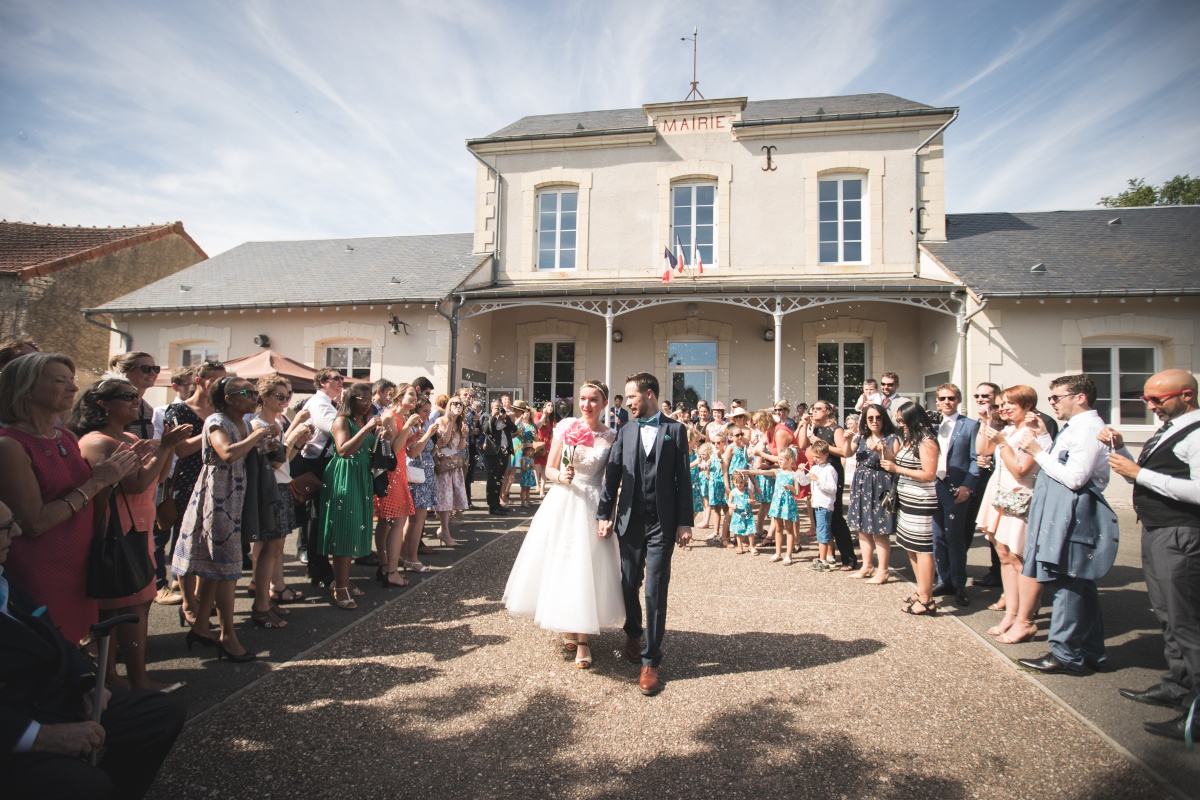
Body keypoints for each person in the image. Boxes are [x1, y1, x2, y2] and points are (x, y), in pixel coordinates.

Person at [0, 500, 187, 800]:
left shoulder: (4, 577)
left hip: (55, 697)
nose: (18, 532)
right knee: (86, 786)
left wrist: (87, 683)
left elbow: (50, 635)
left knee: (160, 714)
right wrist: (40, 736)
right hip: (17, 724)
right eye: (7, 527)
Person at [0, 353, 138, 646]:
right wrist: (96, 483)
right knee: (47, 649)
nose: (74, 389)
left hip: (79, 562)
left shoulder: (64, 436)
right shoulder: (10, 445)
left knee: (78, 644)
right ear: (25, 391)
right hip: (40, 569)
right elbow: (33, 523)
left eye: (72, 381)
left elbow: (90, 500)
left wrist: (109, 479)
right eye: (60, 381)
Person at [70, 378, 189, 691]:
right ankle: (122, 679)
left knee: (139, 603)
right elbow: (135, 483)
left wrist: (167, 448)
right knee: (120, 606)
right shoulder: (97, 442)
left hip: (139, 525)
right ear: (103, 404)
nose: (136, 401)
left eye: (136, 397)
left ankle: (131, 678)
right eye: (128, 397)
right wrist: (163, 447)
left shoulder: (124, 437)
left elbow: (158, 476)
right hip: (117, 530)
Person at [1104, 370, 1200, 741]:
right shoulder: (1171, 429)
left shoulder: (1195, 432)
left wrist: (1139, 472)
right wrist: (1124, 452)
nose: (1151, 406)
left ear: (1187, 395)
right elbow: (1141, 475)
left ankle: (1196, 710)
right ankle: (1177, 684)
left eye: (1158, 399)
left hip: (1182, 533)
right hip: (1158, 530)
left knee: (1187, 620)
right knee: (1168, 616)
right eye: (1146, 400)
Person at [504, 380, 623, 668]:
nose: (587, 405)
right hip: (564, 499)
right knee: (565, 564)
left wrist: (609, 512)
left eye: (593, 399)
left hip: (593, 500)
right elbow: (551, 466)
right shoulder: (567, 428)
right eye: (583, 399)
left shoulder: (611, 435)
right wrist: (561, 477)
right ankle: (570, 625)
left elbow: (611, 478)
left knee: (588, 566)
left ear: (604, 403)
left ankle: (583, 638)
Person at [597, 372, 694, 696]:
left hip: (662, 524)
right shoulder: (623, 431)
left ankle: (650, 660)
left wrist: (685, 522)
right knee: (627, 584)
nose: (626, 402)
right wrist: (604, 514)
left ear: (649, 394)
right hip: (630, 521)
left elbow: (683, 478)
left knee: (654, 590)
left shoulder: (676, 431)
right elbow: (612, 476)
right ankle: (633, 632)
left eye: (632, 396)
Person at [1015, 373, 1118, 675]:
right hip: (1065, 511)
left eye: (1056, 398)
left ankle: (1065, 654)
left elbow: (1074, 478)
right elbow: (1061, 459)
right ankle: (1091, 652)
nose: (1052, 404)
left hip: (1075, 514)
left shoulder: (1088, 430)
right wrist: (1045, 438)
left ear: (1079, 397)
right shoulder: (1077, 427)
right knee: (1080, 587)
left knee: (1069, 583)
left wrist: (1036, 451)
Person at [172, 376, 274, 662]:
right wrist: (257, 435)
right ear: (229, 398)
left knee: (216, 569)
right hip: (217, 498)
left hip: (235, 495)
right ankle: (227, 636)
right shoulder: (216, 420)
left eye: (256, 392)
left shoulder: (242, 422)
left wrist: (263, 441)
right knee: (228, 571)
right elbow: (227, 453)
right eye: (248, 393)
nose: (255, 397)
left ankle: (202, 626)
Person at [974, 385, 1042, 643]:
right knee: (1003, 555)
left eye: (1009, 404)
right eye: (1001, 404)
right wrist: (985, 422)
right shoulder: (1009, 430)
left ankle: (1025, 617)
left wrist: (1003, 443)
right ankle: (1010, 613)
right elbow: (983, 449)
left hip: (1020, 497)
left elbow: (1021, 470)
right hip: (1001, 495)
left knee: (1018, 557)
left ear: (1026, 405)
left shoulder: (1031, 431)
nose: (1003, 408)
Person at [163, 359, 227, 623]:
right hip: (189, 481)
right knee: (187, 543)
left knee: (209, 545)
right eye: (216, 380)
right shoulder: (180, 410)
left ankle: (202, 599)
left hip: (218, 482)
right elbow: (180, 448)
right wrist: (213, 434)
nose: (221, 386)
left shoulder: (222, 410)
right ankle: (188, 602)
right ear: (199, 381)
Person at [248, 375, 313, 626]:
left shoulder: (276, 422)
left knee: (275, 549)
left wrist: (296, 443)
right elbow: (274, 461)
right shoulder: (259, 425)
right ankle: (261, 604)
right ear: (263, 397)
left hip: (281, 484)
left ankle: (266, 599)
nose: (286, 400)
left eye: (288, 396)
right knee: (269, 548)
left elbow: (283, 459)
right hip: (270, 488)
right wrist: (292, 440)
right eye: (280, 396)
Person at [319, 382, 381, 610]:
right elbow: (343, 450)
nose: (366, 405)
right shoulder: (342, 421)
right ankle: (340, 587)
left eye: (369, 400)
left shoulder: (363, 421)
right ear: (350, 400)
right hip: (345, 476)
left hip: (361, 476)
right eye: (361, 400)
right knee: (345, 529)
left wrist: (377, 434)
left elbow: (367, 449)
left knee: (358, 527)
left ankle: (343, 579)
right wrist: (367, 429)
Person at [881, 402, 941, 616]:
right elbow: (901, 463)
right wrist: (887, 453)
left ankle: (927, 599)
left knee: (923, 549)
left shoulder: (927, 442)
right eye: (898, 420)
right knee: (910, 546)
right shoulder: (909, 440)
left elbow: (929, 474)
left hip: (921, 502)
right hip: (907, 501)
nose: (900, 424)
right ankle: (921, 590)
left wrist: (897, 468)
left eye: (902, 420)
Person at [929, 383, 981, 607]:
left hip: (956, 488)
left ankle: (960, 583)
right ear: (937, 402)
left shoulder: (970, 426)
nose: (946, 402)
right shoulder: (933, 426)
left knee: (955, 538)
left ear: (958, 400)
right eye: (942, 398)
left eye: (951, 398)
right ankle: (944, 579)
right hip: (934, 485)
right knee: (938, 537)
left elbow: (977, 459)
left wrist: (968, 486)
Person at [296, 367, 344, 586]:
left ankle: (320, 566)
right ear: (323, 382)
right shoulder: (320, 403)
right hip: (318, 463)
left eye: (341, 378)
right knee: (317, 517)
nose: (341, 382)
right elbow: (334, 429)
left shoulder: (327, 403)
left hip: (322, 462)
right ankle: (318, 568)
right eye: (336, 378)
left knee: (320, 517)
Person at [796, 400, 857, 571]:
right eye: (813, 409)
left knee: (836, 516)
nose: (814, 412)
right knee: (821, 516)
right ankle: (829, 556)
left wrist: (822, 442)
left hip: (832, 471)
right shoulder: (815, 428)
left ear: (828, 412)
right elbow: (802, 445)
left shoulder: (835, 429)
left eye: (818, 409)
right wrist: (803, 425)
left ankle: (849, 558)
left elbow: (844, 451)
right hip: (818, 471)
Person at [846, 403, 898, 583]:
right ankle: (867, 565)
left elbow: (896, 461)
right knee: (862, 526)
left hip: (882, 483)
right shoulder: (861, 436)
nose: (874, 421)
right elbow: (846, 454)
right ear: (865, 421)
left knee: (880, 528)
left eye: (878, 417)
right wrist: (847, 439)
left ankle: (883, 570)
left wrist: (883, 451)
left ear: (884, 419)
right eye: (870, 418)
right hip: (862, 482)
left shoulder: (892, 438)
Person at [741, 446, 807, 565]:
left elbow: (797, 492)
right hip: (777, 504)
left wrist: (790, 487)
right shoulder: (777, 471)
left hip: (788, 504)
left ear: (790, 460)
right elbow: (761, 472)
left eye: (782, 460)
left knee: (789, 529)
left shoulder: (794, 474)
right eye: (779, 460)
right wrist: (747, 471)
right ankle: (778, 553)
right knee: (778, 528)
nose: (779, 462)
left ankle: (788, 555)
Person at [969, 382, 1004, 588]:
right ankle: (996, 571)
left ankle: (1002, 575)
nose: (981, 399)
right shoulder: (980, 422)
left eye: (986, 396)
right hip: (982, 482)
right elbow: (982, 451)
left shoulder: (1005, 423)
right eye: (977, 396)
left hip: (1006, 486)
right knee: (989, 531)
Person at [401, 397, 439, 572]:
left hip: (425, 474)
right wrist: (428, 434)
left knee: (417, 520)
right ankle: (412, 557)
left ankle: (406, 555)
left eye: (429, 411)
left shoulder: (421, 427)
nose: (427, 414)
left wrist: (438, 445)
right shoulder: (413, 427)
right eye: (425, 411)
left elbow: (426, 452)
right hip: (416, 476)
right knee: (416, 520)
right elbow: (413, 452)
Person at [433, 395, 469, 541]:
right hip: (443, 462)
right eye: (455, 403)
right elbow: (445, 440)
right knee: (445, 499)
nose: (458, 406)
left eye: (460, 404)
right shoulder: (441, 420)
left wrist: (464, 435)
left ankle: (444, 530)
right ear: (449, 405)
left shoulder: (460, 423)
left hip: (454, 462)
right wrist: (450, 421)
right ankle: (444, 531)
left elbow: (460, 447)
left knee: (452, 498)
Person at [107, 352, 159, 440]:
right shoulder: (114, 403)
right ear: (124, 373)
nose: (153, 373)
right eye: (145, 369)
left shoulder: (147, 408)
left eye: (156, 369)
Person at [480, 398, 516, 514]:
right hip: (493, 452)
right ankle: (492, 506)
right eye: (496, 407)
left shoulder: (505, 417)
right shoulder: (487, 417)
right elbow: (486, 430)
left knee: (500, 478)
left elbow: (514, 429)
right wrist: (494, 417)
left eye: (500, 407)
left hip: (504, 451)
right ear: (491, 408)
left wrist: (505, 418)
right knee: (492, 479)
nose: (499, 410)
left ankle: (497, 503)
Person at [727, 471, 756, 554]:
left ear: (745, 482)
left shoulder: (748, 491)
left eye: (741, 482)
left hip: (748, 515)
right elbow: (729, 503)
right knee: (738, 531)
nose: (739, 484)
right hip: (738, 515)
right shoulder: (733, 492)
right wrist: (732, 506)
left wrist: (751, 501)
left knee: (750, 531)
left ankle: (751, 546)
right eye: (736, 482)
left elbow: (754, 501)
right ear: (733, 482)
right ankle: (740, 546)